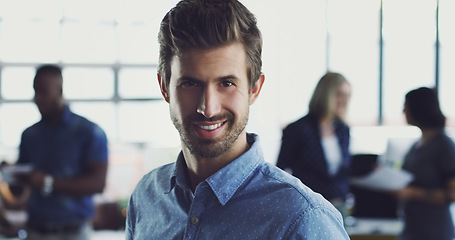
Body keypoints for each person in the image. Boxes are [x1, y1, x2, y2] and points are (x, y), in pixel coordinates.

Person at [125, 0, 349, 239]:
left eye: (227, 83)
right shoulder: (146, 197)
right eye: (190, 83)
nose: (208, 108)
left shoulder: (303, 218)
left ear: (254, 88)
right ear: (164, 87)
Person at [14, 64, 108, 240]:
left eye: (44, 91)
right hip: (35, 232)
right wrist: (11, 175)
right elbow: (21, 187)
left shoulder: (89, 132)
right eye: (35, 91)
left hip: (74, 233)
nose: (37, 98)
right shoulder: (29, 135)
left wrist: (47, 182)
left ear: (59, 91)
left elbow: (98, 184)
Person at [276, 72, 352, 218]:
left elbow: (344, 171)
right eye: (339, 94)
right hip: (308, 207)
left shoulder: (343, 129)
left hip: (339, 206)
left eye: (347, 96)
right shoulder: (298, 129)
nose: (344, 100)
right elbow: (281, 170)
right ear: (325, 95)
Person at [393, 87, 455, 240]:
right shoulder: (417, 145)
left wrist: (413, 193)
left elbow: (453, 193)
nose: (403, 111)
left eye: (405, 106)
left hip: (435, 232)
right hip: (411, 229)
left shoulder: (444, 145)